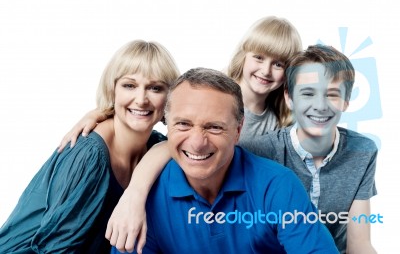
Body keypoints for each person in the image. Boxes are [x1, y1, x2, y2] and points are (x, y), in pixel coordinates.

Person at [56, 16, 303, 252]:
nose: (266, 70)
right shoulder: (212, 92)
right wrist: (134, 193)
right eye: (259, 57)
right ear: (243, 56)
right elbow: (171, 143)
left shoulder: (280, 120)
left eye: (278, 63)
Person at [112, 67, 338, 253]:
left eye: (214, 127)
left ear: (238, 130)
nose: (197, 142)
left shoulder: (277, 186)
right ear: (167, 124)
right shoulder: (145, 199)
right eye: (183, 124)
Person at [0, 40, 179, 253]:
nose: (141, 99)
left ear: (170, 98)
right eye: (129, 85)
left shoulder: (155, 147)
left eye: (155, 88)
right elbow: (56, 248)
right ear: (112, 89)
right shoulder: (89, 154)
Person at [239, 45, 378, 253]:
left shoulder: (363, 151)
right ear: (289, 98)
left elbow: (359, 244)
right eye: (308, 93)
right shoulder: (259, 151)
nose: (320, 106)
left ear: (346, 101)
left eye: (332, 95)